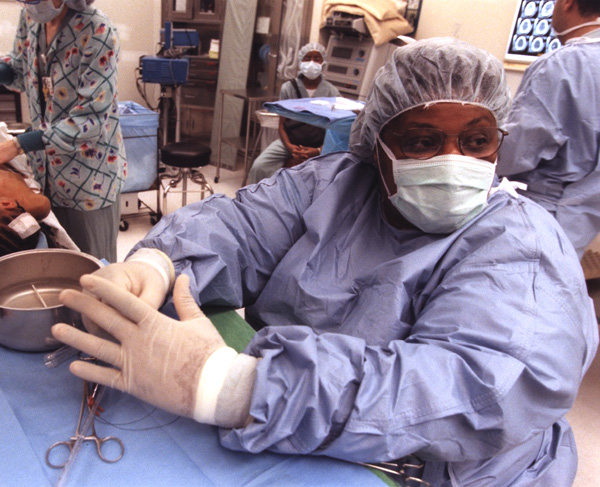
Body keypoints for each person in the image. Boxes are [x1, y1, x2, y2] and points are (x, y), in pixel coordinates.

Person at [52, 38, 598, 486]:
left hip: (440, 472)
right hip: (300, 441)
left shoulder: (523, 247)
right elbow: (236, 227)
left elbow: (471, 390)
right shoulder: (335, 183)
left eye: (477, 141)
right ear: (377, 140)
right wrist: (155, 263)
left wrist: (238, 387)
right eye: (424, 141)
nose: (455, 162)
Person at [0, 0, 126, 262]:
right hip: (44, 173)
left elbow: (91, 118)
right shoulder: (31, 19)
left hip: (88, 180)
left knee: (93, 268)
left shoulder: (97, 31)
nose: (29, 4)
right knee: (59, 264)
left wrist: (19, 144)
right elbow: (21, 70)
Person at [497, 0, 600, 259]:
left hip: (538, 219)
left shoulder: (562, 65)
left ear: (567, 3)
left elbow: (513, 154)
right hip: (582, 223)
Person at [247, 42, 340, 184]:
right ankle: (255, 202)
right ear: (300, 61)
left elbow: (335, 129)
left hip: (320, 144)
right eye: (307, 58)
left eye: (316, 58)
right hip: (290, 141)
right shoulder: (288, 88)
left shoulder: (331, 92)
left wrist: (318, 151)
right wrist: (290, 147)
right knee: (259, 166)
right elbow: (282, 125)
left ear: (323, 63)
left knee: (330, 176)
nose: (312, 63)